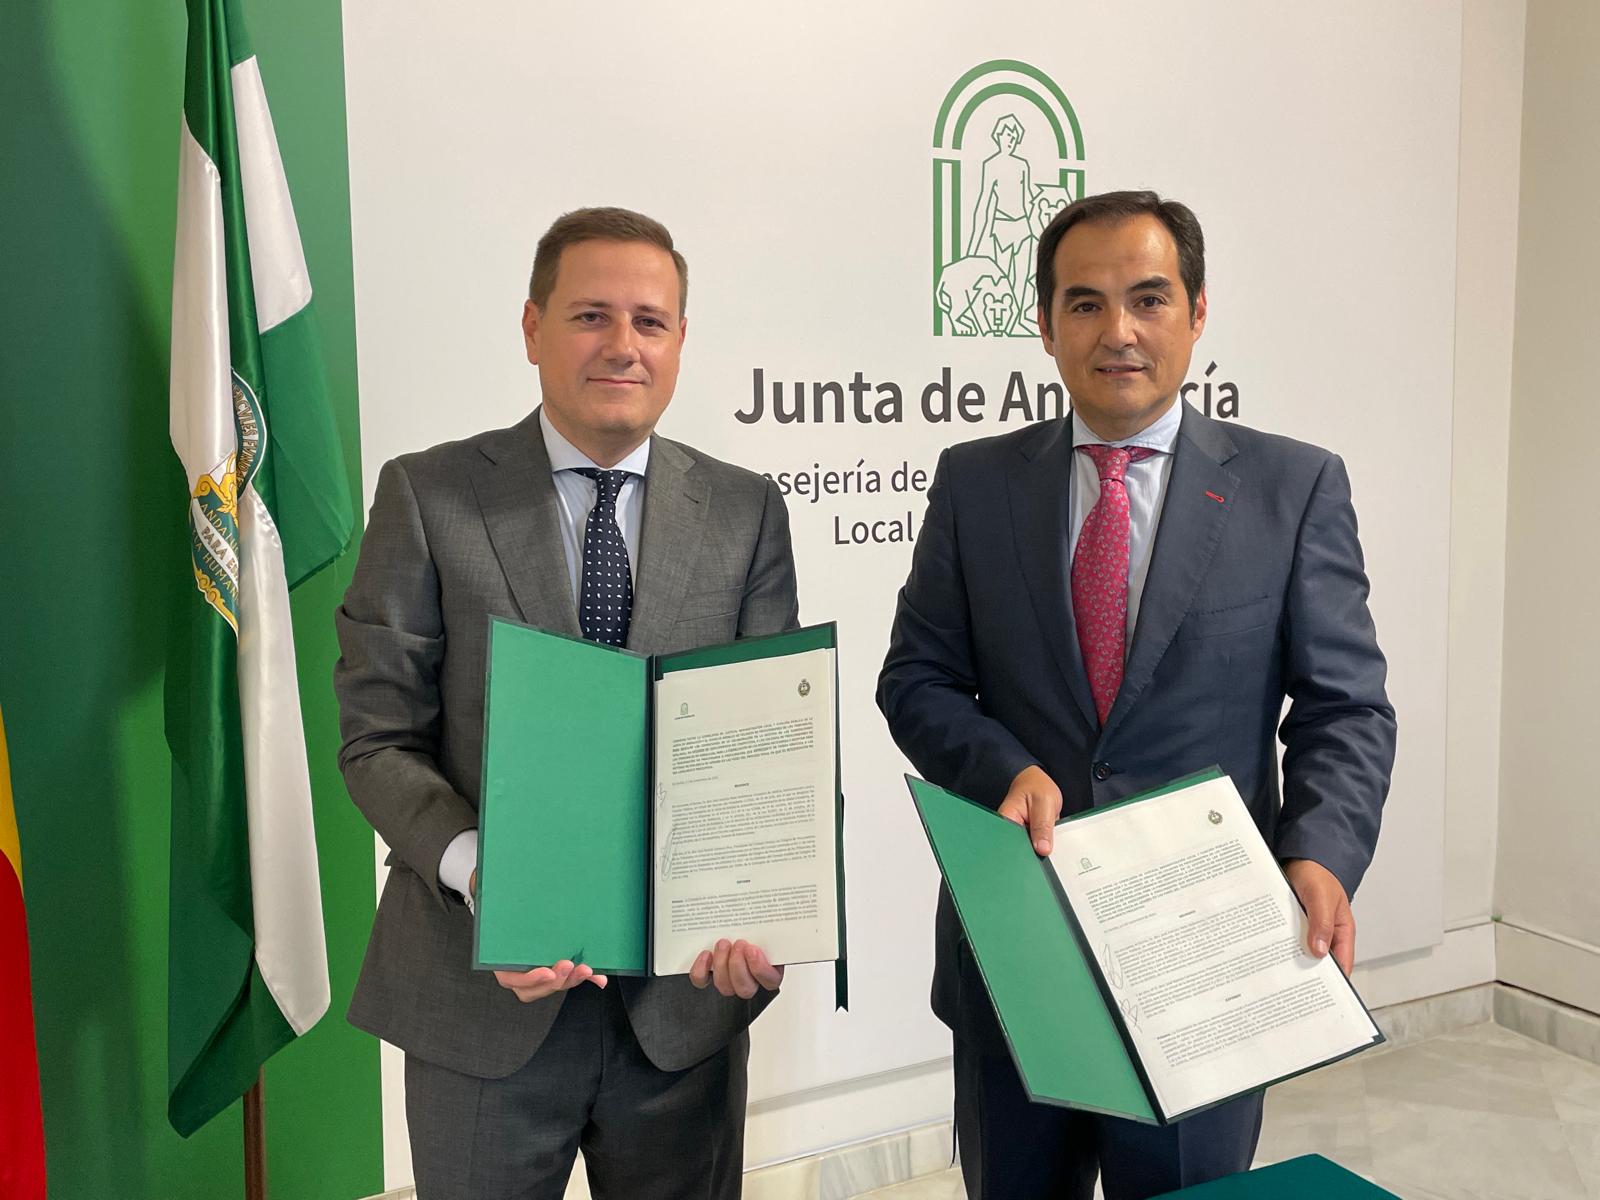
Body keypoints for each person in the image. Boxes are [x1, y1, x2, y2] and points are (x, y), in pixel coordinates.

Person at [877, 190, 1396, 1200]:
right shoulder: (976, 484)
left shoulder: (1292, 489)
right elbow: (917, 676)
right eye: (1084, 303)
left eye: (1148, 299)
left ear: (1197, 313)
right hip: (1017, 951)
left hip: (1208, 957)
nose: (1118, 330)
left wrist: (1320, 853)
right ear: (1045, 325)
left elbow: (1345, 708)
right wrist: (1003, 768)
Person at [334, 207, 799, 1199]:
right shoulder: (428, 495)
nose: (623, 345)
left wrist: (766, 908)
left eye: (650, 321)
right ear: (532, 327)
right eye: (592, 315)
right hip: (479, 1003)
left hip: (682, 1013)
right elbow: (376, 739)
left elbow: (767, 741)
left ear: (679, 341)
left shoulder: (746, 509)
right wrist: (487, 881)